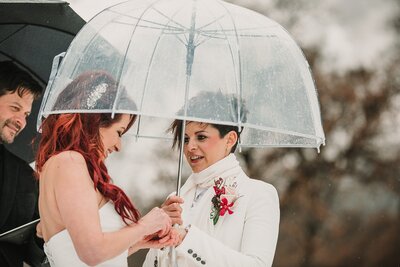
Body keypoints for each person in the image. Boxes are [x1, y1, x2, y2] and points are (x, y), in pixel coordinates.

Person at [35, 71, 179, 266]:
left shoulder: (61, 164)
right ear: (95, 122)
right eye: (119, 132)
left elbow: (81, 256)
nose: (119, 145)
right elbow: (92, 252)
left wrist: (138, 242)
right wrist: (143, 226)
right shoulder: (70, 162)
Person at [143, 91, 280, 266]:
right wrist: (158, 237)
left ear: (230, 139)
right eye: (185, 139)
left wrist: (188, 239)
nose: (190, 147)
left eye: (201, 137)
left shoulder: (258, 194)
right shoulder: (176, 198)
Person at [0, 61, 45, 267]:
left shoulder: (26, 176)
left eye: (26, 114)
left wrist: (39, 236)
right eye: (15, 108)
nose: (21, 121)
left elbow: (35, 257)